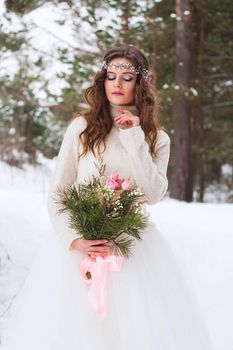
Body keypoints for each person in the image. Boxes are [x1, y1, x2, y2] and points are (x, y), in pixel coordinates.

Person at [5, 45, 212, 350]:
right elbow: (58, 193)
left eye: (127, 77)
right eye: (111, 76)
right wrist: (74, 239)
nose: (117, 83)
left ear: (140, 85)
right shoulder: (81, 129)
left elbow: (153, 193)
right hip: (77, 253)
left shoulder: (158, 138)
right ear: (102, 80)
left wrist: (134, 137)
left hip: (131, 252)